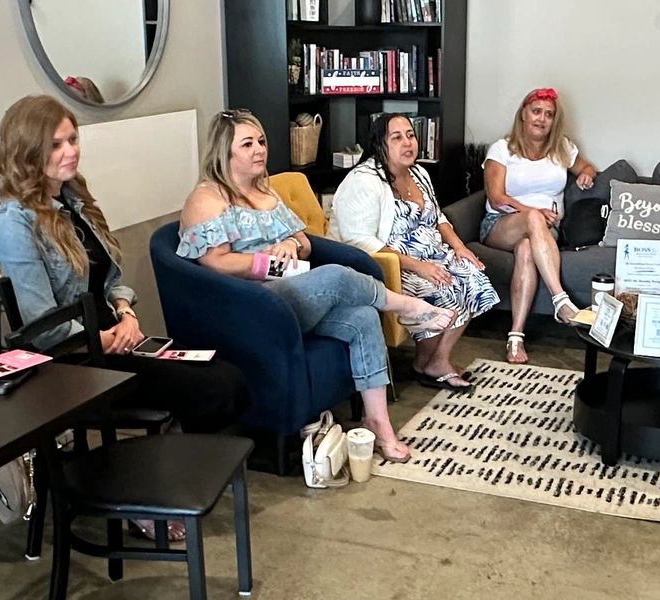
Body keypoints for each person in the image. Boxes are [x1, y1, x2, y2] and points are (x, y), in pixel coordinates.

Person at [177, 110, 455, 462]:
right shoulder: (208, 199)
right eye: (247, 144)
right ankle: (405, 307)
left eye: (261, 141)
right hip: (248, 306)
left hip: (290, 294)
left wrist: (290, 246)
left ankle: (378, 422)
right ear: (224, 152)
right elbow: (215, 262)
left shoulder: (265, 192)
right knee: (336, 275)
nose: (259, 150)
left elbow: (304, 242)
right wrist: (270, 261)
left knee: (362, 317)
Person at [0, 94, 251, 433]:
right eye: (55, 145)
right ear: (28, 153)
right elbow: (45, 326)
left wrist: (126, 314)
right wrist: (103, 339)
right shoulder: (15, 223)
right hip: (76, 360)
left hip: (113, 337)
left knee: (225, 371)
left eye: (72, 139)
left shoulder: (73, 201)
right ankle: (183, 469)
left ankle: (190, 464)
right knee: (218, 387)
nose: (71, 151)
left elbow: (108, 281)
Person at [330, 112, 498, 390]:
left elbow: (438, 217)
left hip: (432, 254)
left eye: (410, 135)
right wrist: (418, 266)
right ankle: (429, 361)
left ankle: (434, 361)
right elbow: (359, 241)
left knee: (473, 276)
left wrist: (459, 247)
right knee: (443, 289)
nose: (407, 143)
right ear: (379, 144)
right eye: (396, 137)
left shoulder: (419, 173)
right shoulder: (364, 181)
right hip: (390, 264)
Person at [481, 87, 599, 362]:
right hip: (500, 224)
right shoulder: (502, 149)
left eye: (549, 114)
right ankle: (561, 301)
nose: (542, 119)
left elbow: (587, 167)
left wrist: (586, 176)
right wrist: (533, 211)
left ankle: (515, 337)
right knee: (533, 219)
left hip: (544, 231)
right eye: (536, 111)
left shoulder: (562, 149)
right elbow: (496, 198)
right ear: (523, 113)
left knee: (526, 250)